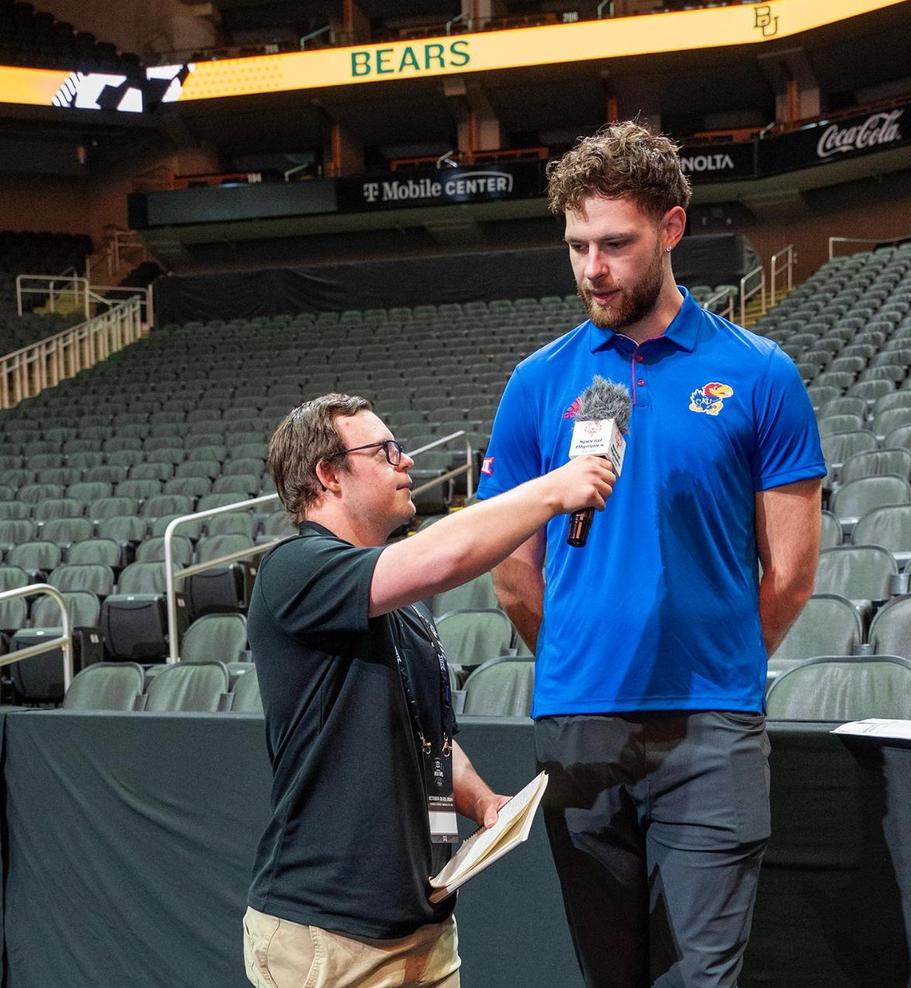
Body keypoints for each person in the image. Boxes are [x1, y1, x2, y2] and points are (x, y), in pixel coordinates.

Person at [476, 122, 826, 987]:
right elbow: (512, 569)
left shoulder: (760, 374)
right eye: (577, 246)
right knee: (613, 975)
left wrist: (719, 664)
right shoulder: (537, 384)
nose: (593, 267)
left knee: (699, 978)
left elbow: (790, 571)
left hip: (711, 731)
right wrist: (577, 655)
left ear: (672, 229)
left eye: (616, 244)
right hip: (578, 726)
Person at [242, 393, 616, 988]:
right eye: (384, 450)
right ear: (327, 475)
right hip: (331, 935)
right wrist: (554, 489)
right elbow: (446, 556)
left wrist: (484, 804)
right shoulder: (296, 569)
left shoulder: (401, 606)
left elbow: (429, 738)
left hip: (425, 926)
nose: (406, 461)